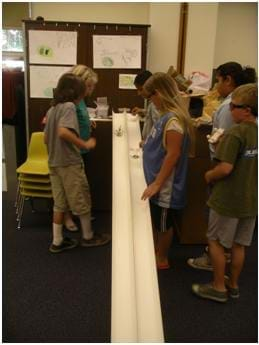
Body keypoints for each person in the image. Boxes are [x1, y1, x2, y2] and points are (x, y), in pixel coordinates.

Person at [187, 62, 256, 271]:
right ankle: (231, 282)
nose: (216, 85)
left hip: (227, 182)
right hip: (248, 191)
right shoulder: (250, 125)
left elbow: (226, 156)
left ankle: (216, 274)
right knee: (238, 242)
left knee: (217, 236)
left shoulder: (230, 110)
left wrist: (210, 175)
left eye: (218, 80)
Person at [44, 73, 110, 253]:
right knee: (81, 199)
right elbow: (63, 132)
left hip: (54, 163)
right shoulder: (68, 107)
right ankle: (88, 236)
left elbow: (45, 137)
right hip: (69, 163)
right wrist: (84, 144)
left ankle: (57, 241)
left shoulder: (52, 109)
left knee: (60, 203)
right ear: (75, 92)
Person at [141, 72, 193, 269]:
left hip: (165, 188)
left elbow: (173, 155)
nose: (150, 102)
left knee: (163, 224)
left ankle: (162, 259)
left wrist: (157, 184)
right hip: (157, 182)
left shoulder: (174, 121)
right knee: (157, 221)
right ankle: (156, 251)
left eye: (150, 97)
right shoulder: (165, 116)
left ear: (160, 93)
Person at [62, 64, 98, 230]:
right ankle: (67, 218)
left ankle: (80, 213)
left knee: (79, 184)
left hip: (81, 149)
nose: (91, 89)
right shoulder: (68, 103)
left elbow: (79, 118)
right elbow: (64, 128)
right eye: (89, 86)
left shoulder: (81, 100)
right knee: (70, 185)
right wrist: (82, 143)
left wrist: (87, 122)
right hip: (72, 150)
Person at [131, 70, 160, 143]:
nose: (139, 93)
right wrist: (143, 111)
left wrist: (148, 143)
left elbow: (159, 130)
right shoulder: (152, 102)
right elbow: (153, 115)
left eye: (141, 89)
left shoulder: (156, 104)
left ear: (149, 86)